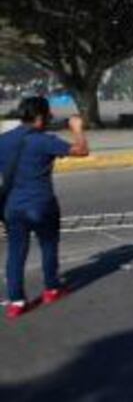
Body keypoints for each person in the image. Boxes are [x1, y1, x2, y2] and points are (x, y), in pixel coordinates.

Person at [2, 97, 88, 320]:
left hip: (13, 206)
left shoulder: (3, 140)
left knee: (15, 253)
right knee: (48, 245)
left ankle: (17, 302)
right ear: (40, 118)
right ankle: (52, 288)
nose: (50, 119)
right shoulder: (45, 141)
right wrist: (77, 129)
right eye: (48, 115)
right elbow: (81, 150)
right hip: (41, 204)